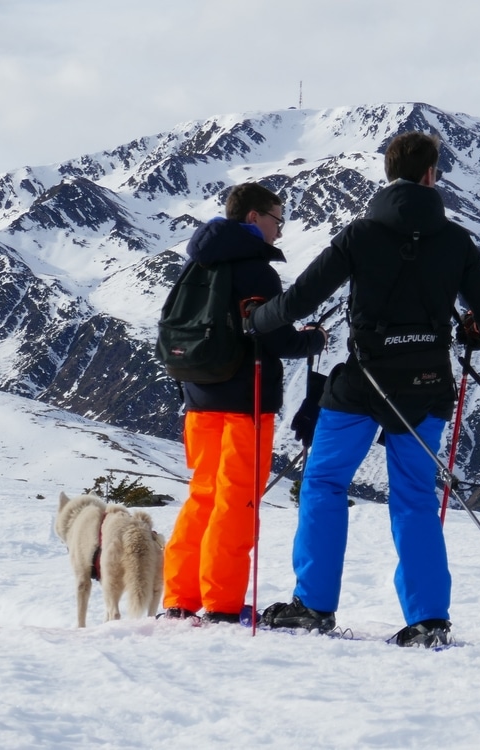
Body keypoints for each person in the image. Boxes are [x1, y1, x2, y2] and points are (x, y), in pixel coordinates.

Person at [247, 132, 480, 647]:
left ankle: (313, 605)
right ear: (431, 174)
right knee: (414, 495)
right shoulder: (455, 240)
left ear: (388, 175)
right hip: (428, 384)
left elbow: (300, 300)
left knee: (324, 483)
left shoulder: (360, 235)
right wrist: (473, 331)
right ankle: (428, 619)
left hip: (363, 382)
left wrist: (257, 320)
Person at [161, 182, 327, 624]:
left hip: (198, 396)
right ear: (254, 217)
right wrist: (312, 340)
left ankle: (180, 598)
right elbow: (272, 336)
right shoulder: (255, 269)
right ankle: (222, 603)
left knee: (202, 495)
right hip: (244, 401)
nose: (280, 230)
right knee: (237, 502)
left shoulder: (199, 260)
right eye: (277, 219)